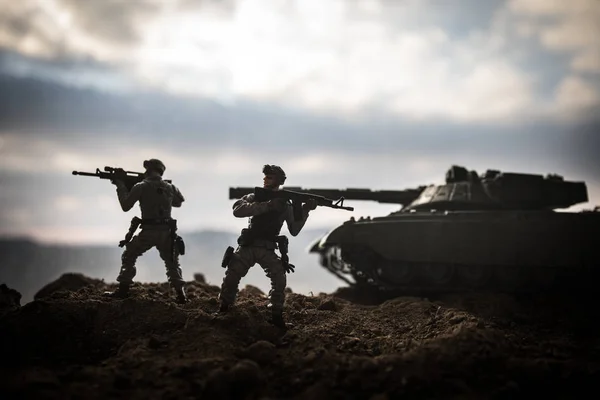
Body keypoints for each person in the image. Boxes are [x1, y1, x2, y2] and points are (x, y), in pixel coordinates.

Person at [217, 164, 317, 329]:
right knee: (231, 276)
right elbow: (238, 210)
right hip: (248, 246)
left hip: (268, 248)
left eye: (269, 177)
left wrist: (306, 210)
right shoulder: (254, 196)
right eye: (265, 177)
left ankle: (276, 317)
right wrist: (268, 206)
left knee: (279, 280)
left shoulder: (285, 204)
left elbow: (294, 229)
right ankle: (224, 309)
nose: (265, 179)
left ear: (279, 181)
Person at [104, 159, 188, 304]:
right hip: (167, 232)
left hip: (148, 231)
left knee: (129, 255)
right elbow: (179, 202)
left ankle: (123, 290)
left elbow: (125, 205)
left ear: (148, 170)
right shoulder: (170, 187)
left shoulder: (141, 186)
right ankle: (181, 295)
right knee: (172, 264)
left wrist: (121, 185)